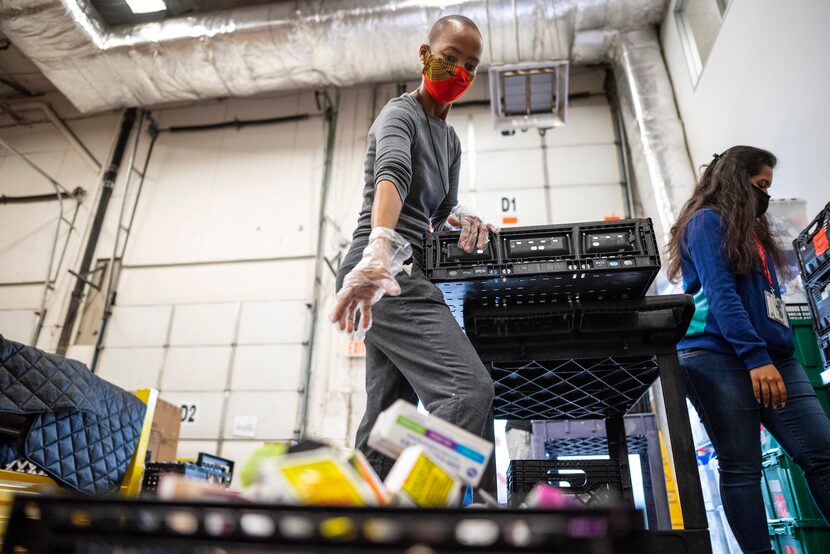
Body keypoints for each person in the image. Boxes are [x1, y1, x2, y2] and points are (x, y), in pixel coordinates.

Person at [331, 15, 498, 492]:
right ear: (426, 56)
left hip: (401, 268)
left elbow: (441, 207)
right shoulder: (398, 114)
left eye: (471, 65)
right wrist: (379, 246)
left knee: (390, 418)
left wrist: (463, 217)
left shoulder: (450, 140)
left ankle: (359, 524)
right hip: (382, 269)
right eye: (451, 58)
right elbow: (393, 175)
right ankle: (419, 517)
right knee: (467, 390)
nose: (461, 72)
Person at [667, 145, 830, 553]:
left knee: (822, 452)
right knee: (743, 466)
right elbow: (722, 296)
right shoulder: (706, 222)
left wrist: (776, 351)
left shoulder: (752, 233)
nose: (766, 195)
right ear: (738, 182)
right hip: (715, 354)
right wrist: (755, 358)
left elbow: (764, 300)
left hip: (775, 355)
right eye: (760, 185)